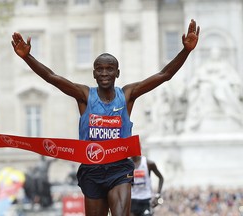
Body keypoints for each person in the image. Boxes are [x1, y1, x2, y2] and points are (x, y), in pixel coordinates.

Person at [11, 19, 199, 216]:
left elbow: (164, 74)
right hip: (91, 169)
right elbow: (52, 77)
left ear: (117, 72)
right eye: (99, 69)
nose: (104, 73)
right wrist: (27, 57)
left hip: (119, 169)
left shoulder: (127, 95)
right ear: (93, 73)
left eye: (109, 69)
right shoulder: (84, 95)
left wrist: (185, 51)